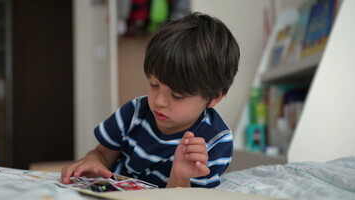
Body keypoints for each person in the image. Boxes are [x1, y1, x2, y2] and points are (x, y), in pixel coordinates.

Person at [61, 12, 240, 188]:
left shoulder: (214, 142)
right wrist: (93, 160)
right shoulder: (135, 111)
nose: (159, 101)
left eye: (177, 95)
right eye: (154, 85)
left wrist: (179, 176)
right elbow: (102, 153)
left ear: (213, 98)